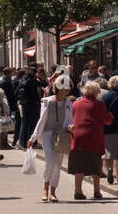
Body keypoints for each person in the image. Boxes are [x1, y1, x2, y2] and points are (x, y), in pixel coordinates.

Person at [33, 74, 74, 202]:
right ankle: (45, 186)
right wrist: (34, 137)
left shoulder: (68, 103)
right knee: (50, 160)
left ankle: (53, 191)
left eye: (68, 87)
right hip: (47, 134)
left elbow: (69, 120)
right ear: (58, 87)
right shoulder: (48, 102)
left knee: (58, 163)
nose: (66, 90)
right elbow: (42, 120)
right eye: (64, 87)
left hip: (61, 135)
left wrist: (70, 126)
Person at [70, 80, 111, 200]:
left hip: (78, 138)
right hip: (94, 138)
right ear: (96, 92)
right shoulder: (99, 104)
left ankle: (78, 191)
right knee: (96, 166)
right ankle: (97, 191)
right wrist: (110, 115)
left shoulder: (76, 104)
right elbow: (108, 120)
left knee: (79, 166)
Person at [16, 62, 45, 150]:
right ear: (34, 73)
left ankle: (23, 142)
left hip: (24, 105)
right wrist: (39, 78)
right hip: (34, 105)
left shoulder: (22, 80)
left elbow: (16, 92)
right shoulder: (33, 81)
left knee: (25, 124)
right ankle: (33, 142)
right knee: (33, 125)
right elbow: (45, 84)